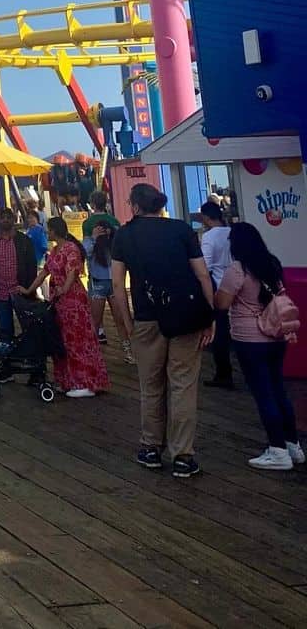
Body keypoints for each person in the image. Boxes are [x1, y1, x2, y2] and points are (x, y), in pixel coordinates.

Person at [111, 182, 214, 478]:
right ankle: (183, 455)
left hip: (147, 318)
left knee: (151, 386)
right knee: (183, 385)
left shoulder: (124, 235)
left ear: (135, 206)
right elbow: (202, 274)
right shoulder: (181, 229)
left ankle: (151, 448)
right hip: (186, 316)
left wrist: (127, 323)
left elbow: (117, 284)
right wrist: (210, 316)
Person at [215, 222, 303, 470]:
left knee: (263, 395)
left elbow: (222, 303)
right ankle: (293, 445)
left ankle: (277, 451)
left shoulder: (238, 269)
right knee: (279, 391)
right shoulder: (272, 263)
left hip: (250, 340)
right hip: (277, 336)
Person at [30, 217, 110, 397]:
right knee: (63, 341)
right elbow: (44, 273)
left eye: (49, 229)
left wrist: (64, 288)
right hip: (59, 302)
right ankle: (68, 380)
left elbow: (73, 271)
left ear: (54, 230)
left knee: (78, 340)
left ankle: (85, 382)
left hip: (72, 300)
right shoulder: (55, 250)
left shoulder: (70, 249)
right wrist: (29, 289)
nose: (47, 232)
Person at [0, 208, 38, 344]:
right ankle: (7, 355)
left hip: (21, 292)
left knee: (30, 329)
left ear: (13, 220)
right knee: (4, 332)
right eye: (2, 217)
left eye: (8, 217)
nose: (5, 220)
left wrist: (30, 290)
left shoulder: (24, 240)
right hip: (0, 292)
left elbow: (32, 267)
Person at [85, 218, 133, 362]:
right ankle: (92, 354)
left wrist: (114, 233)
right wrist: (93, 238)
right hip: (97, 284)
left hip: (114, 283)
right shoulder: (90, 242)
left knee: (120, 319)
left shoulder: (114, 244)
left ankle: (128, 350)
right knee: (95, 321)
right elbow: (84, 252)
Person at [199, 200, 234, 388]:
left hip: (219, 286)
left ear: (206, 217)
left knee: (220, 332)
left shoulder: (209, 237)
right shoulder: (232, 232)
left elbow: (205, 266)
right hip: (236, 285)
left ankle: (223, 373)